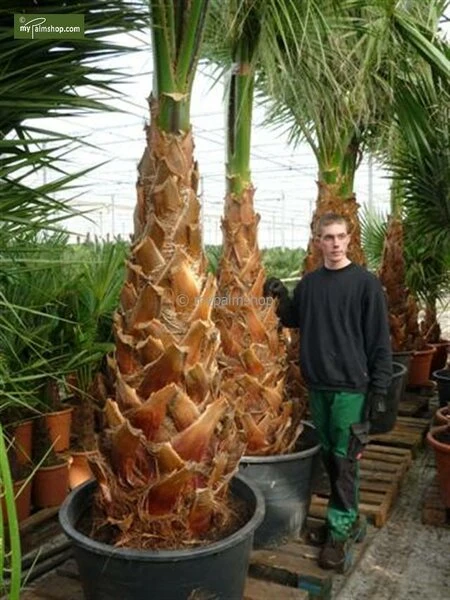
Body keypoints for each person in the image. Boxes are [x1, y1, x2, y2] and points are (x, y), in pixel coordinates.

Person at [264, 212, 392, 572]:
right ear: (317, 241)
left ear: (349, 239)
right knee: (330, 458)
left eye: (340, 236)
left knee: (344, 460)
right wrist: (280, 296)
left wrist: (379, 391)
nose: (335, 244)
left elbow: (380, 341)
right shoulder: (310, 284)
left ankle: (338, 531)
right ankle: (348, 521)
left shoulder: (365, 284)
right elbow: (294, 318)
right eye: (328, 237)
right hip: (318, 386)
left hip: (351, 388)